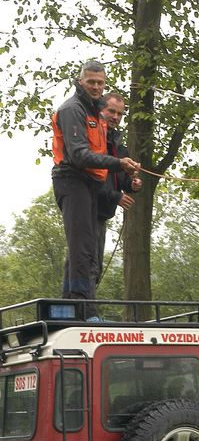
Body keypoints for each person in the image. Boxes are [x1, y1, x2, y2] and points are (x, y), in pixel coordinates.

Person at [52, 60, 140, 318]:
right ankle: (84, 309)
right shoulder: (72, 109)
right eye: (91, 81)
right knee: (82, 250)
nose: (95, 86)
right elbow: (79, 155)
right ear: (81, 81)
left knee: (86, 250)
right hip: (72, 179)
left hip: (90, 183)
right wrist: (118, 164)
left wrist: (127, 176)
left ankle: (68, 309)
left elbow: (106, 158)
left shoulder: (95, 113)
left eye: (100, 83)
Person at [95, 92, 142, 287]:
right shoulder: (94, 140)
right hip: (86, 206)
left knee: (95, 263)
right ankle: (77, 303)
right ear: (101, 110)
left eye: (120, 114)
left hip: (103, 212)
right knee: (85, 261)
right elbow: (90, 178)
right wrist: (116, 197)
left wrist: (132, 184)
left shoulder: (118, 146)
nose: (115, 117)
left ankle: (86, 302)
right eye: (111, 111)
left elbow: (121, 179)